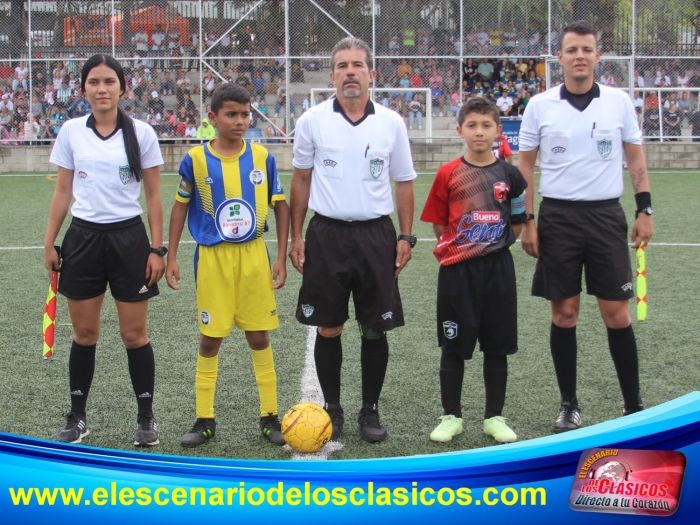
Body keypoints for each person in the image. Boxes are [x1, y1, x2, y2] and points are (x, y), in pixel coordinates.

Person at [518, 21, 654, 433]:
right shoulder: (540, 105)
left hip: (606, 217)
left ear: (598, 56)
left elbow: (635, 157)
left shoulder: (618, 102)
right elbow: (525, 166)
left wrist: (644, 209)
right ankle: (569, 405)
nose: (580, 56)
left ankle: (633, 406)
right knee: (565, 314)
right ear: (559, 57)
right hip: (557, 218)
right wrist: (527, 220)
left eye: (587, 49)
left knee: (617, 314)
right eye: (572, 49)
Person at [289, 37, 416, 443]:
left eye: (357, 65)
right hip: (326, 234)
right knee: (329, 327)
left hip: (376, 235)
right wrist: (296, 235)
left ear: (371, 73)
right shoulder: (312, 120)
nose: (349, 72)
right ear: (332, 75)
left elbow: (404, 181)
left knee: (374, 328)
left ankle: (370, 409)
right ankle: (332, 408)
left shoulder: (391, 123)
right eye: (342, 65)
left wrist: (406, 236)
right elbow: (301, 179)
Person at [43, 55, 165, 446]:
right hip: (83, 239)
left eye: (109, 81)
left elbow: (153, 195)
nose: (102, 89)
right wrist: (50, 241)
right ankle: (77, 416)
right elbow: (63, 191)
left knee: (134, 334)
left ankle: (146, 418)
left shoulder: (142, 133)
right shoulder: (71, 132)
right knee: (84, 333)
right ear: (82, 90)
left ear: (122, 88)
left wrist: (157, 248)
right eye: (94, 82)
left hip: (129, 240)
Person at [165, 83, 290, 447]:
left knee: (259, 335)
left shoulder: (262, 157)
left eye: (245, 114)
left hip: (253, 255)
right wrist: (171, 255)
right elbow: (180, 206)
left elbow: (280, 205)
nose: (240, 121)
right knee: (210, 338)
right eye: (231, 114)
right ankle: (204, 419)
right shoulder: (196, 159)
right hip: (212, 258)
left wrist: (281, 255)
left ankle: (270, 416)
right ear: (213, 117)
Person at [421, 98, 527, 444]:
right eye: (472, 125)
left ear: (498, 130)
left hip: (498, 270)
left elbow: (519, 220)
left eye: (486, 125)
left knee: (497, 345)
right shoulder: (448, 173)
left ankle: (494, 417)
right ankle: (451, 416)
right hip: (458, 271)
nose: (479, 132)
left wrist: (493, 246)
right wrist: (463, 248)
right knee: (453, 344)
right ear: (460, 131)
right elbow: (439, 224)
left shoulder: (511, 175)